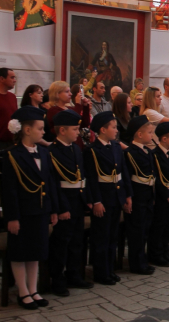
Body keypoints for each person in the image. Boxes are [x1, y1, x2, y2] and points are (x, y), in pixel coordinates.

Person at [2, 106, 58, 309]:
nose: (44, 132)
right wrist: (12, 217)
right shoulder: (12, 156)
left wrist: (52, 209)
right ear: (27, 130)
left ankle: (33, 289)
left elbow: (50, 183)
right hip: (23, 212)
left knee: (36, 251)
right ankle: (22, 291)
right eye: (40, 128)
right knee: (20, 252)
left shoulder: (44, 152)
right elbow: (9, 190)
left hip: (40, 210)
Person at [48, 109, 94, 297]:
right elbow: (53, 183)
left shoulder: (76, 148)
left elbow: (82, 176)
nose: (78, 132)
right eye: (75, 129)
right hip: (64, 202)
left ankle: (74, 274)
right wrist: (61, 208)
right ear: (62, 131)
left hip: (78, 200)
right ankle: (57, 279)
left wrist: (88, 200)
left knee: (77, 241)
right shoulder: (51, 152)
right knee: (61, 243)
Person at [85, 111, 132, 285]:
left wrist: (127, 195)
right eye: (113, 127)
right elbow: (91, 178)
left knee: (113, 236)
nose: (117, 130)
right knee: (101, 237)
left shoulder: (115, 147)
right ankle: (101, 271)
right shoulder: (92, 150)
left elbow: (123, 172)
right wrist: (96, 201)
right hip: (103, 198)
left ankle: (110, 269)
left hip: (116, 195)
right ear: (103, 130)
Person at [122, 115, 156, 275]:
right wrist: (128, 197)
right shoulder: (130, 153)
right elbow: (128, 178)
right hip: (137, 195)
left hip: (147, 194)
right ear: (139, 134)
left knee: (146, 229)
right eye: (149, 132)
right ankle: (136, 263)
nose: (151, 136)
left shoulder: (147, 151)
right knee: (137, 231)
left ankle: (143, 260)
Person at [148, 122, 169, 267]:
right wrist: (168, 196)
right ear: (164, 139)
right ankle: (156, 254)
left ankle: (165, 253)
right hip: (162, 197)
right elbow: (157, 178)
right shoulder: (155, 155)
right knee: (159, 226)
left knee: (168, 226)